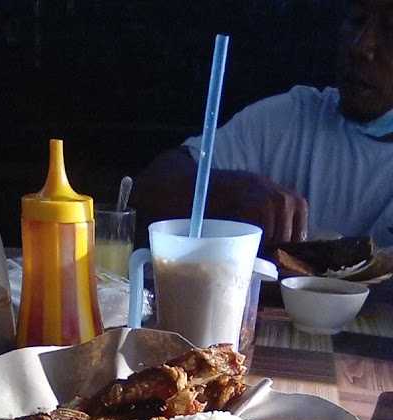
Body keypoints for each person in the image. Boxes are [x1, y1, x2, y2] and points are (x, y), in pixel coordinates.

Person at [132, 0, 393, 248]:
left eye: (389, 30)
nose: (361, 46)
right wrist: (229, 192)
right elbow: (146, 195)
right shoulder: (294, 117)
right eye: (357, 20)